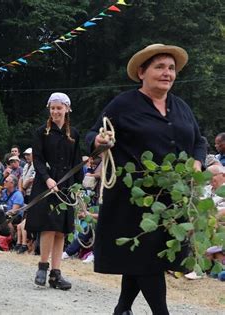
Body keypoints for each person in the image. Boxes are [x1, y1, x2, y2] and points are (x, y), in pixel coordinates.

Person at [86, 44, 207, 315]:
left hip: (172, 201)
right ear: (142, 72)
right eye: (159, 67)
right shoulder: (123, 104)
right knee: (147, 261)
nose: (167, 73)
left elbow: (199, 140)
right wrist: (99, 140)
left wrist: (197, 162)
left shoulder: (182, 107)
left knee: (142, 259)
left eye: (171, 68)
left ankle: (122, 309)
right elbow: (93, 134)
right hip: (133, 200)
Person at [25, 92, 83, 291]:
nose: (56, 111)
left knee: (61, 230)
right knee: (49, 226)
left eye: (59, 108)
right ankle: (42, 266)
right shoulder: (41, 132)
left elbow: (77, 163)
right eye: (53, 108)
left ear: (67, 109)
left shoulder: (74, 133)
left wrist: (78, 188)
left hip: (67, 186)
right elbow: (38, 159)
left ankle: (56, 274)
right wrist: (47, 179)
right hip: (46, 183)